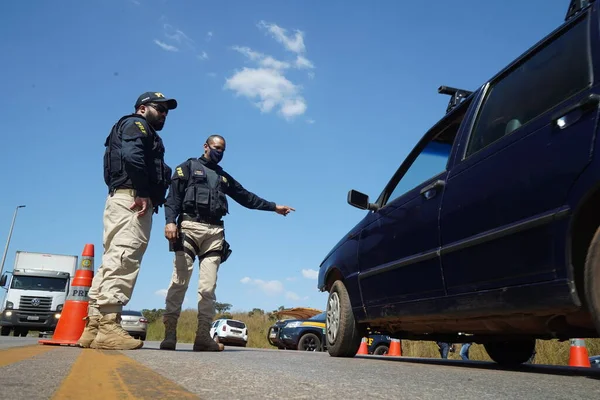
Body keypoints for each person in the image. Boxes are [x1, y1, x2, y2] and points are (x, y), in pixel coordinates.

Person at [159, 134, 295, 351]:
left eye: (222, 149)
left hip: (214, 233)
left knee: (208, 288)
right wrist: (170, 223)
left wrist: (274, 207)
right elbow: (172, 198)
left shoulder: (223, 177)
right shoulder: (186, 167)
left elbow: (246, 197)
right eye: (216, 147)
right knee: (179, 282)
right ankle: (170, 334)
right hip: (189, 228)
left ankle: (203, 336)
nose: (219, 152)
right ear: (205, 146)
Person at [77, 92, 178, 350]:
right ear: (143, 108)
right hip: (133, 199)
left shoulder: (133, 126)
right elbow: (133, 157)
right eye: (160, 108)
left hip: (122, 198)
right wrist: (144, 192)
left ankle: (94, 326)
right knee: (125, 255)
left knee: (112, 259)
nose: (165, 114)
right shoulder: (137, 123)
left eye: (167, 111)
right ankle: (109, 327)